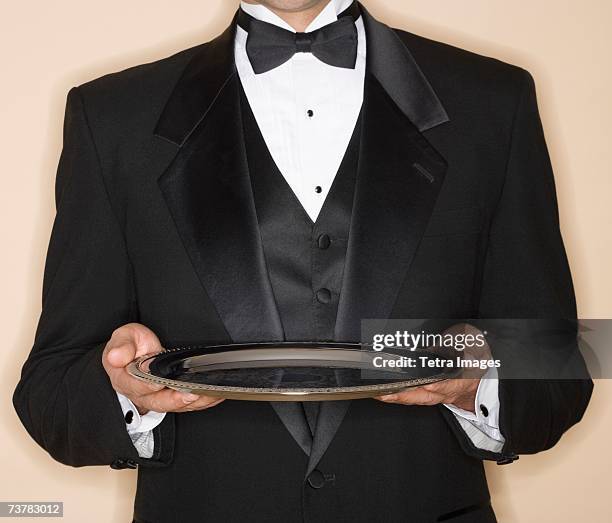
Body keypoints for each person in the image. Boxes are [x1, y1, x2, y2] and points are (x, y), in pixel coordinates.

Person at [13, 1, 592, 521]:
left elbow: (562, 358)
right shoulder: (110, 116)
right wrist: (124, 390)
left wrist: (479, 376)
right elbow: (49, 394)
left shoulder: (496, 99)